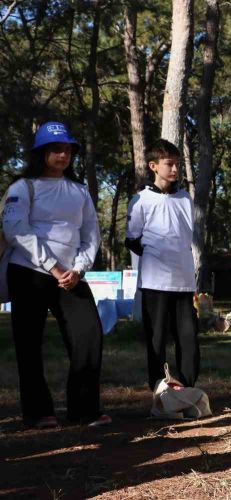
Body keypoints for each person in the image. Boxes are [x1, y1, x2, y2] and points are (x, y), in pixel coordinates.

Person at [2, 121, 110, 428]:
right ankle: (38, 412)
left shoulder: (79, 191)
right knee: (29, 342)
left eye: (67, 150)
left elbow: (91, 234)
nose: (62, 155)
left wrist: (77, 268)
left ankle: (84, 409)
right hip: (29, 273)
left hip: (71, 277)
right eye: (55, 150)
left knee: (89, 334)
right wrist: (53, 266)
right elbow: (15, 229)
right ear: (40, 153)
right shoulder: (23, 188)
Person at [125, 139, 199, 405]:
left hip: (184, 282)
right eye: (169, 164)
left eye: (177, 164)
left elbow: (185, 237)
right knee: (156, 340)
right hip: (155, 283)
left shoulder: (184, 199)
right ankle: (159, 390)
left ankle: (188, 389)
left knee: (188, 338)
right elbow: (132, 239)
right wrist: (157, 254)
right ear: (153, 166)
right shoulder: (141, 200)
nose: (175, 169)